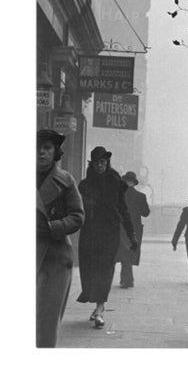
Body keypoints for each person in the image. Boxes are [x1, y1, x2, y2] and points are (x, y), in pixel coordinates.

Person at [77, 147, 138, 328]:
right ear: (92, 163)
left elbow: (123, 210)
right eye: (96, 162)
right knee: (89, 270)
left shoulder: (116, 183)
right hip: (89, 233)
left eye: (103, 162)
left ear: (107, 163)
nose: (100, 166)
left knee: (105, 269)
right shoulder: (84, 185)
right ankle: (96, 304)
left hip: (109, 233)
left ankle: (100, 309)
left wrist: (131, 234)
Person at [37, 129, 84, 348]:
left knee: (47, 319)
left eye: (46, 148)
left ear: (55, 152)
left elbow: (77, 216)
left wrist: (52, 226)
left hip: (55, 257)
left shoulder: (65, 180)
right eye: (37, 148)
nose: (41, 153)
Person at [115, 171, 150, 288]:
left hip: (121, 228)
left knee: (123, 252)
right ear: (134, 183)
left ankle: (127, 279)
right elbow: (146, 213)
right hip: (135, 229)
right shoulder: (141, 196)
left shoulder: (117, 195)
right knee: (129, 252)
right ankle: (127, 278)